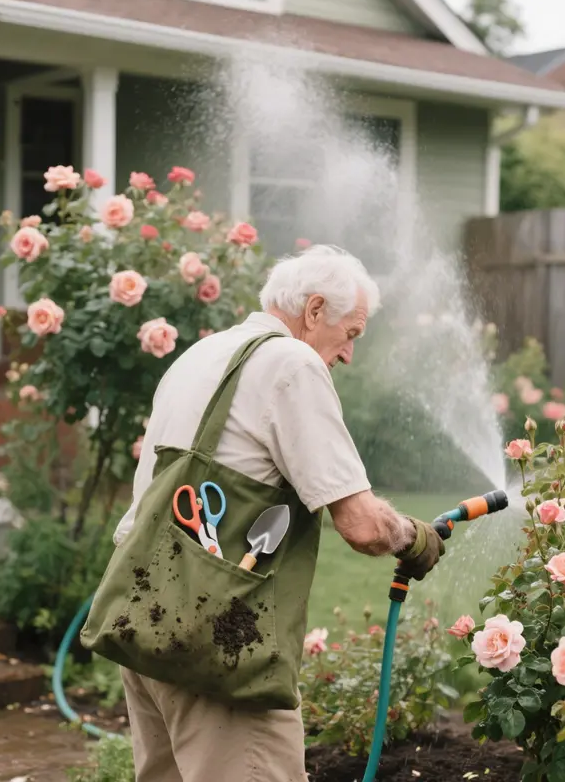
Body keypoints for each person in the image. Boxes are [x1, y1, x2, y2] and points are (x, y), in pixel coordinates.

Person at [113, 244, 445, 782]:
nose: (348, 354)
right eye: (351, 334)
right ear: (315, 311)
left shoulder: (199, 355)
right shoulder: (291, 363)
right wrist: (413, 537)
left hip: (144, 621)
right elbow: (360, 525)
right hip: (217, 649)